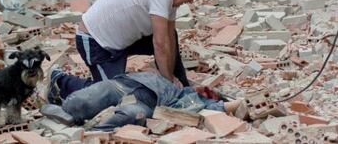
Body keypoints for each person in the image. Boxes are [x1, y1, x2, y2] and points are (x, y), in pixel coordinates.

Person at [68, 0, 208, 98]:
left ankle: (182, 88)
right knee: (113, 94)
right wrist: (169, 82)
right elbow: (159, 45)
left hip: (120, 40)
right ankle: (62, 82)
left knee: (169, 36)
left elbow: (169, 38)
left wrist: (173, 78)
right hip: (96, 42)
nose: (192, 0)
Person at [41, 70, 241, 131]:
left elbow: (231, 106)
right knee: (79, 104)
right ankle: (65, 111)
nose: (207, 90)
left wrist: (242, 103)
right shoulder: (180, 87)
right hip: (125, 85)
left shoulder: (203, 105)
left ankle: (91, 131)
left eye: (212, 92)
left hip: (147, 105)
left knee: (128, 115)